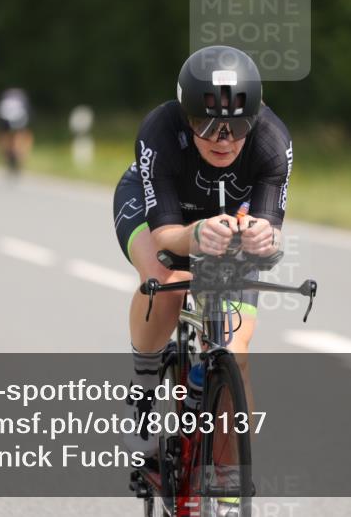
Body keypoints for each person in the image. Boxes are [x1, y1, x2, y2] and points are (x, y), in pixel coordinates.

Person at [113, 45, 293, 457]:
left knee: (234, 350)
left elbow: (271, 228)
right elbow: (166, 237)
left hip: (225, 220)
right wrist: (195, 235)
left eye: (236, 126)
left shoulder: (272, 141)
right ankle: (143, 394)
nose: (223, 140)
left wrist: (264, 239)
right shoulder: (159, 130)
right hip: (158, 211)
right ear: (184, 114)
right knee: (167, 283)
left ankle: (227, 484)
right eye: (206, 125)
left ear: (256, 118)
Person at [0, 88, 32, 176]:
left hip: (14, 114)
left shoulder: (16, 102)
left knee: (9, 135)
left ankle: (14, 156)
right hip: (11, 114)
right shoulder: (16, 102)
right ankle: (15, 156)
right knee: (15, 134)